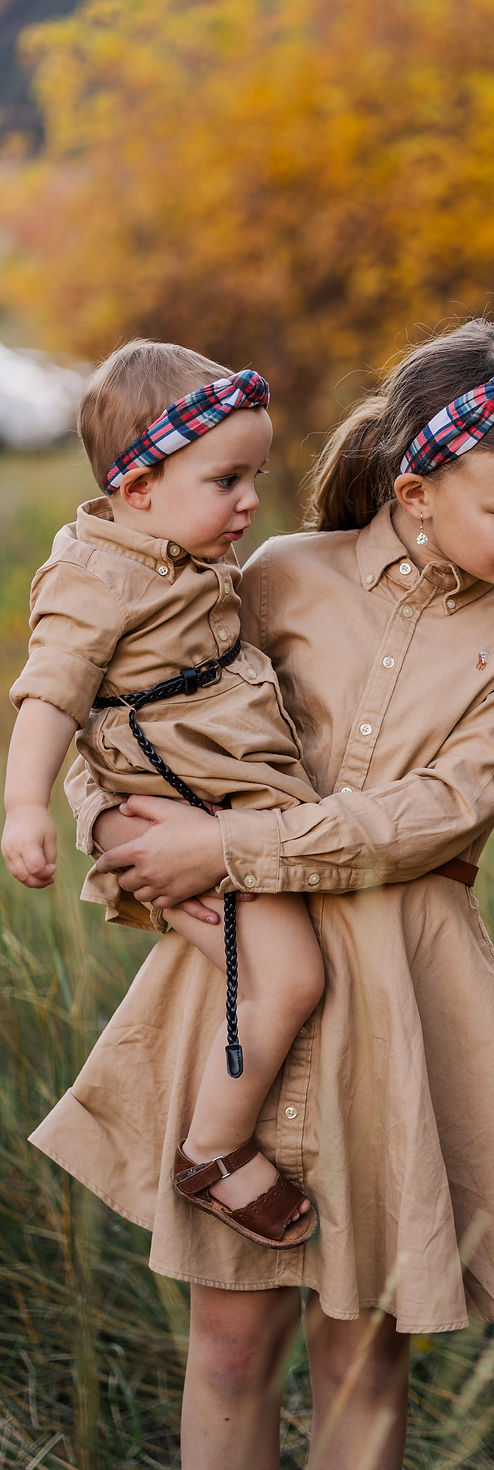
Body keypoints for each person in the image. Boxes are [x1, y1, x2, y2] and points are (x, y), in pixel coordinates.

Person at [28, 319, 494, 1469]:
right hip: (237, 986)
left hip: (403, 999)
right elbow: (137, 707)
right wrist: (108, 824)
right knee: (231, 1345)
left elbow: (438, 809)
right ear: (416, 488)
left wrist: (226, 848)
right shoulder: (278, 572)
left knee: (361, 1352)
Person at [3, 340, 325, 1248]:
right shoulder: (94, 576)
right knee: (293, 979)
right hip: (196, 816)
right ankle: (213, 1151)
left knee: (256, 966)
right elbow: (52, 693)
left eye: (253, 476)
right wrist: (26, 805)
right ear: (137, 487)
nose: (250, 501)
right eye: (227, 480)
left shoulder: (168, 548)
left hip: (230, 808)